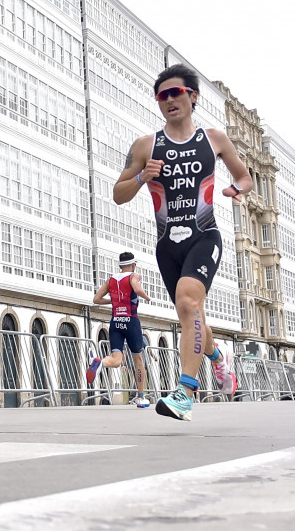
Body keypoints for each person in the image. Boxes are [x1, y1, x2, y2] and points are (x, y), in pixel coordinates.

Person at [114, 64, 252, 421]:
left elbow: (244, 177)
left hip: (204, 235)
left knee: (189, 301)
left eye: (176, 93)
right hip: (167, 245)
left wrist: (233, 190)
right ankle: (218, 359)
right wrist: (143, 177)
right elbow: (118, 194)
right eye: (162, 96)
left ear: (192, 96)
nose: (170, 100)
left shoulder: (213, 139)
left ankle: (185, 392)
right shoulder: (146, 145)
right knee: (190, 313)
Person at [88, 252, 153, 407]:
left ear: (119, 266)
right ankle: (141, 397)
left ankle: (101, 363)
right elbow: (136, 289)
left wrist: (113, 300)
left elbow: (96, 299)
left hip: (115, 322)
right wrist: (147, 297)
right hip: (131, 320)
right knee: (138, 360)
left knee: (116, 360)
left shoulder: (110, 280)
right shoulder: (134, 276)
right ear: (133, 265)